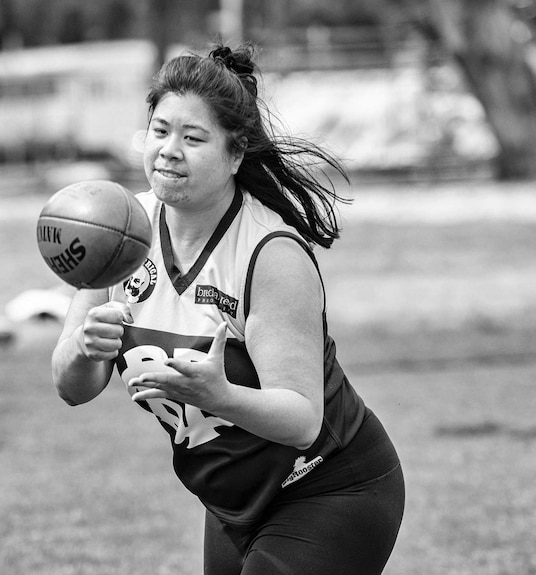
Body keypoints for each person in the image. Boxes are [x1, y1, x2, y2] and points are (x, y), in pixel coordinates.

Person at [51, 44, 404, 574]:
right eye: (160, 130)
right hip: (232, 506)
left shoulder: (270, 254)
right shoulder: (120, 228)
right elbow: (71, 386)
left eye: (193, 138)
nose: (169, 150)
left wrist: (220, 395)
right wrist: (85, 349)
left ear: (235, 154)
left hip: (329, 486)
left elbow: (303, 420)